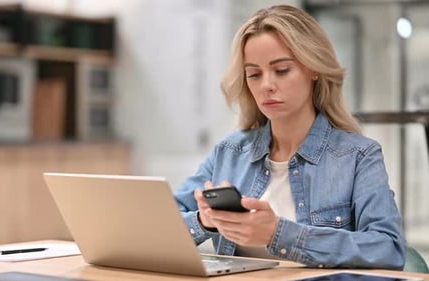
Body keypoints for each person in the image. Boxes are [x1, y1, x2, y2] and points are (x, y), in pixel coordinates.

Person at [173, 4, 406, 269]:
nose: (266, 85)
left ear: (314, 69)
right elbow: (160, 223)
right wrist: (205, 221)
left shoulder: (358, 156)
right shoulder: (229, 152)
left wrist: (278, 234)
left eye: (282, 70)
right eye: (254, 74)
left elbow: (389, 248)